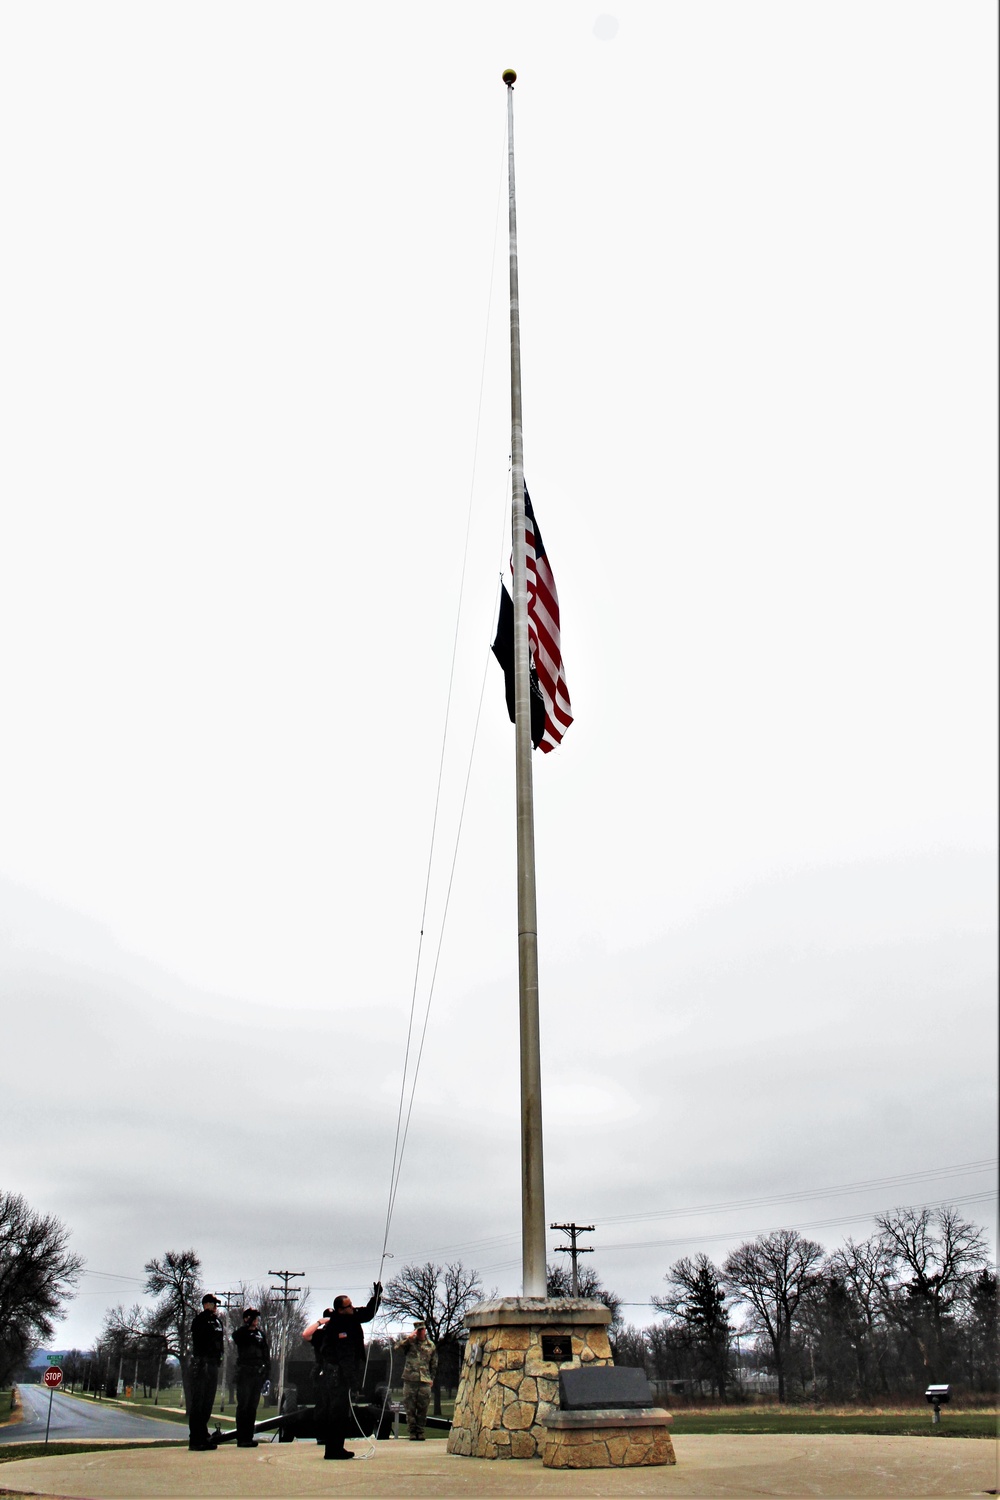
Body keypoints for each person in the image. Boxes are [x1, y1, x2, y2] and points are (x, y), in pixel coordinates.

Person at [302, 1282, 382, 1460]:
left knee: (341, 1412)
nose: (353, 1308)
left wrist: (376, 1297)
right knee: (337, 1412)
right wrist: (353, 1381)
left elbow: (368, 1313)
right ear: (340, 1309)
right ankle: (333, 1450)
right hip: (337, 1374)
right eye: (349, 1306)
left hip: (342, 1372)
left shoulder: (351, 1316)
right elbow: (344, 1356)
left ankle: (336, 1447)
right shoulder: (338, 1326)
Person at [187, 1293, 224, 1450]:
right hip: (202, 1364)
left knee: (208, 1401)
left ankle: (204, 1434)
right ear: (206, 1304)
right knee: (199, 1401)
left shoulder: (217, 1321)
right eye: (213, 1303)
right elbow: (200, 1341)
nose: (216, 1307)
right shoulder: (199, 1320)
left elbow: (219, 1342)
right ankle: (195, 1438)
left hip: (213, 1364)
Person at [232, 1308, 271, 1448]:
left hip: (257, 1373)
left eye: (257, 1318)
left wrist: (267, 1371)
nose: (256, 1321)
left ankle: (249, 1436)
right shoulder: (242, 1333)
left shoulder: (260, 1334)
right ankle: (241, 1437)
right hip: (245, 1373)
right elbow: (235, 1337)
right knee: (244, 1405)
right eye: (253, 1318)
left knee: (253, 1406)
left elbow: (266, 1353)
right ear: (247, 1319)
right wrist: (247, 1326)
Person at [395, 1320, 437, 1441]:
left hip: (424, 1380)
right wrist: (409, 1338)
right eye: (418, 1330)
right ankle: (412, 1431)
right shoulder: (410, 1343)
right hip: (410, 1379)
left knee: (423, 1407)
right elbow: (397, 1347)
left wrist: (432, 1379)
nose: (420, 1332)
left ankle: (420, 1431)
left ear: (425, 1330)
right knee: (410, 1407)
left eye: (422, 1330)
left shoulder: (430, 1345)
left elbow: (434, 1363)